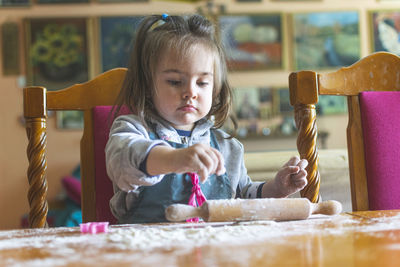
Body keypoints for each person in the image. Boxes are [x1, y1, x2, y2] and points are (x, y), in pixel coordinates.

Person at [105, 13, 308, 224]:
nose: (190, 92)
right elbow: (122, 160)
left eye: (202, 83)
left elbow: (242, 196)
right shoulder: (132, 129)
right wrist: (174, 159)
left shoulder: (226, 146)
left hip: (213, 250)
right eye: (175, 81)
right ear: (148, 85)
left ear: (215, 89)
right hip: (146, 250)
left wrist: (276, 187)